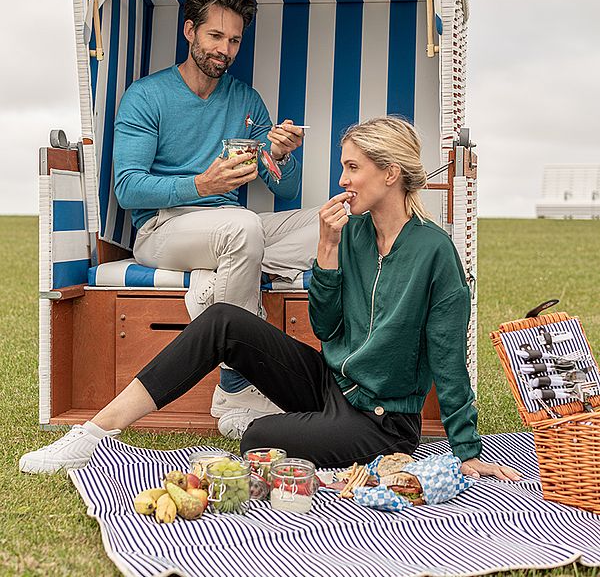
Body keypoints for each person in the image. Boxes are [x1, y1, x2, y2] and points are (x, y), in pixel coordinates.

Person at [20, 116, 520, 480]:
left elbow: (449, 359)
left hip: (382, 424)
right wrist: (325, 250)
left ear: (390, 173)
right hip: (332, 384)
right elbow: (327, 330)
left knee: (259, 438)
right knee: (223, 321)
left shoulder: (435, 253)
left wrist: (468, 450)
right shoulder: (354, 234)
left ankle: (318, 443)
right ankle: (92, 436)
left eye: (352, 168)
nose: (342, 181)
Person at [112, 0, 319, 435]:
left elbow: (284, 191)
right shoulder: (146, 96)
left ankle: (221, 282)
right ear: (190, 32)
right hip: (164, 231)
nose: (225, 49)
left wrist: (281, 155)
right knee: (242, 228)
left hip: (232, 230)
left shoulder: (246, 101)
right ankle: (235, 380)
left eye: (235, 40)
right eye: (215, 37)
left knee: (332, 222)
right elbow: (127, 189)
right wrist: (201, 185)